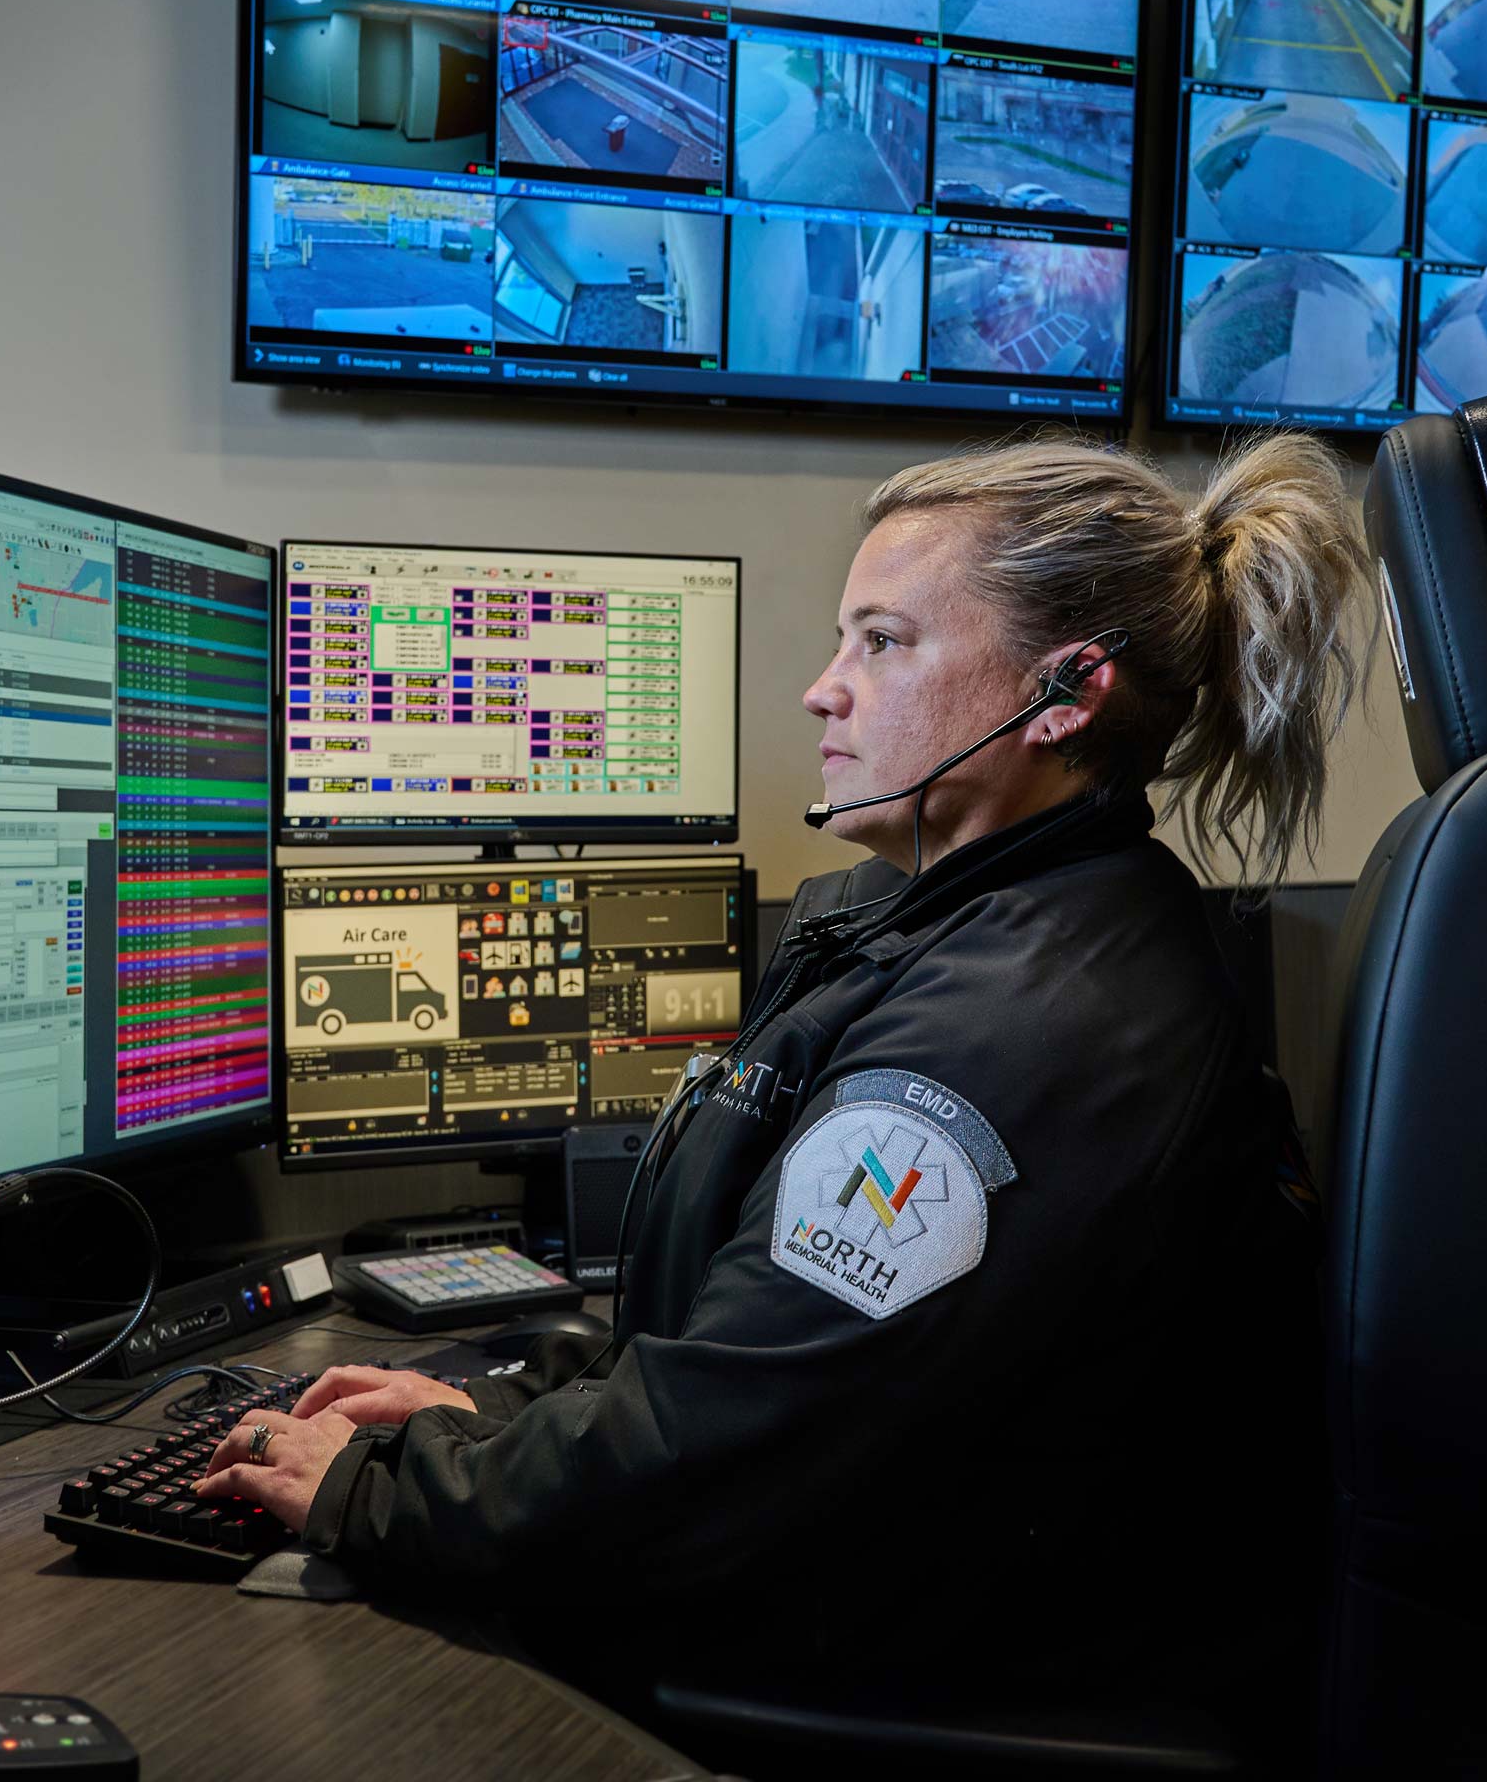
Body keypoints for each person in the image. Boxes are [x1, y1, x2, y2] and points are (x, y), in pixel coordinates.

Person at [199, 432, 1375, 1703]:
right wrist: (487, 1405)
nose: (824, 689)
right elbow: (748, 1345)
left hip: (924, 1675)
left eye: (881, 641)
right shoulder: (961, 921)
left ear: (1064, 693)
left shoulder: (1013, 1034)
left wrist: (375, 1487)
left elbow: (719, 1459)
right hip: (901, 1592)